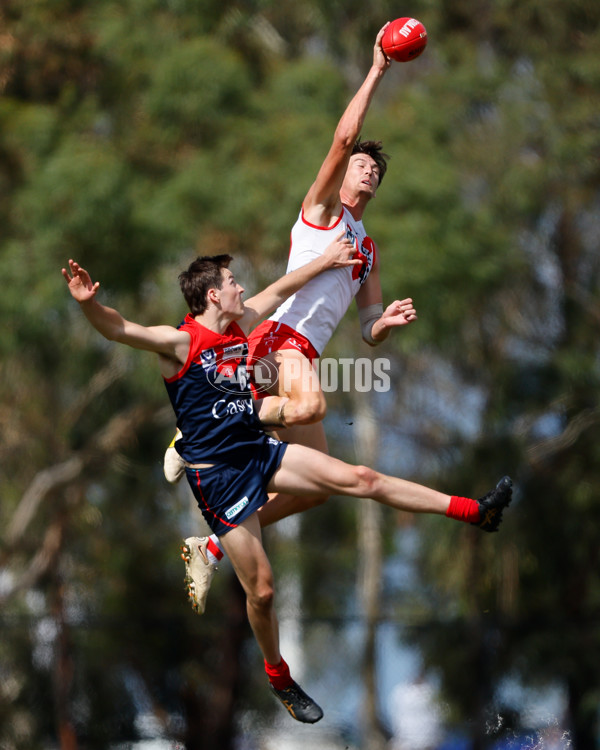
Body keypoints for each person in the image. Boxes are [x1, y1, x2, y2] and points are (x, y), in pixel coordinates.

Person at [62, 251, 513, 724]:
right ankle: (278, 676)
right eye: (233, 282)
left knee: (360, 478)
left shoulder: (241, 323)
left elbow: (283, 286)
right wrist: (89, 303)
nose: (242, 288)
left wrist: (330, 261)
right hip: (217, 479)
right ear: (213, 294)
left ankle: (474, 511)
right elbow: (119, 329)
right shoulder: (179, 342)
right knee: (264, 593)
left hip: (259, 452)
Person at [165, 21, 418, 607]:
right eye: (361, 164)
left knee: (317, 489)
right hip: (276, 341)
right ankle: (204, 427)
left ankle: (207, 544)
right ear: (343, 170)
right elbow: (342, 136)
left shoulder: (370, 250)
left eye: (376, 171)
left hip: (302, 354)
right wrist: (378, 69)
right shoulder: (322, 211)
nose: (369, 171)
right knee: (307, 407)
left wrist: (385, 325)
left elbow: (365, 329)